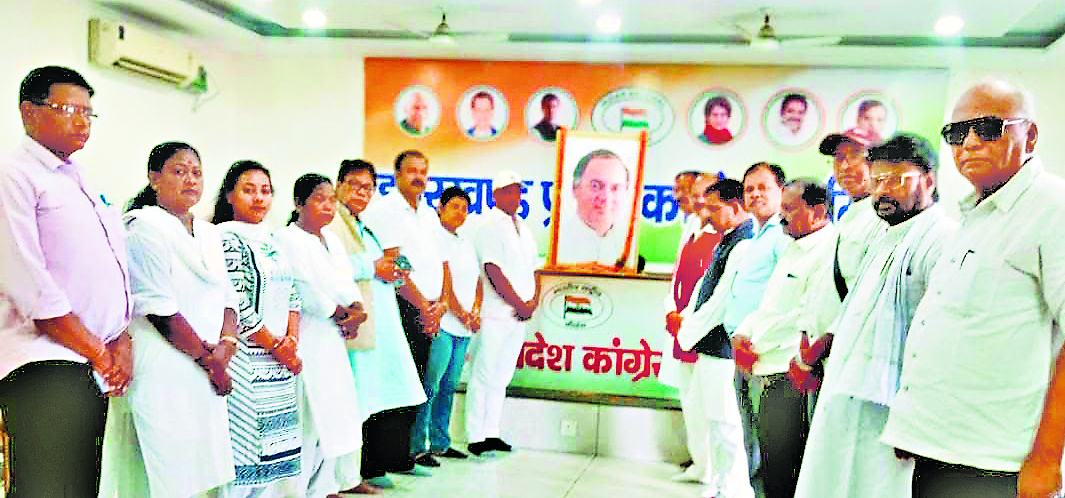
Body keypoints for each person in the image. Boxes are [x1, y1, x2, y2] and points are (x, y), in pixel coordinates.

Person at [880, 80, 1065, 498]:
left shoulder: (1051, 207)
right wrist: (915, 423)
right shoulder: (973, 216)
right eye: (957, 133)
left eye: (988, 128)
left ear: (1030, 136)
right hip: (938, 449)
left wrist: (1047, 460)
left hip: (995, 466)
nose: (970, 143)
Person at [793, 133, 955, 498]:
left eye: (896, 180)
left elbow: (940, 338)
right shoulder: (885, 238)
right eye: (878, 180)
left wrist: (917, 416)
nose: (883, 190)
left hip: (894, 409)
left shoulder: (942, 239)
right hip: (850, 392)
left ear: (929, 180)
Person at [0, 65, 132, 497]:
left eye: (88, 112)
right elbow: (27, 282)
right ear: (29, 112)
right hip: (44, 362)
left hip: (89, 362)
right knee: (46, 488)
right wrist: (99, 350)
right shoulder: (13, 175)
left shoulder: (79, 179)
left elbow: (111, 268)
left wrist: (120, 339)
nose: (82, 122)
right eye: (69, 110)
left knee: (81, 488)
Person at [101, 141, 238, 498]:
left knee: (203, 465)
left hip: (208, 365)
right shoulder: (143, 227)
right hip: (164, 361)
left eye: (196, 173)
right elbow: (161, 311)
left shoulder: (210, 232)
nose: (190, 180)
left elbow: (228, 298)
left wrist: (226, 346)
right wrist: (212, 363)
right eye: (179, 171)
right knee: (163, 466)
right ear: (154, 178)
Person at [728, 179, 839, 498]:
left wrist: (758, 345)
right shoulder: (792, 247)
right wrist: (743, 333)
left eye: (789, 209)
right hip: (762, 368)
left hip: (790, 374)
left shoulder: (828, 252)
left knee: (785, 468)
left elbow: (808, 316)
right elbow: (770, 306)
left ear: (817, 212)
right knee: (765, 463)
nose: (781, 217)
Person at [327, 159, 427, 492]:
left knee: (364, 405)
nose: (361, 193)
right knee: (348, 407)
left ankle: (351, 476)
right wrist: (373, 266)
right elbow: (332, 265)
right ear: (339, 185)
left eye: (368, 187)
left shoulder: (362, 224)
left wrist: (393, 270)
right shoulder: (331, 222)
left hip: (376, 328)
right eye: (354, 185)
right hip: (351, 330)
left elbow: (384, 265)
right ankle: (338, 479)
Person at [210, 161, 303, 497]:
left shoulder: (273, 238)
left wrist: (291, 342)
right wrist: (277, 346)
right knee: (245, 456)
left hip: (279, 364)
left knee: (272, 463)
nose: (259, 198)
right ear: (229, 196)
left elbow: (293, 294)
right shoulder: (223, 237)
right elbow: (237, 302)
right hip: (246, 360)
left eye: (265, 191)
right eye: (248, 190)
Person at [273, 174, 367, 498]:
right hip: (306, 338)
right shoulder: (287, 238)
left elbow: (347, 284)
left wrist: (357, 310)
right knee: (306, 419)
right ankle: (296, 491)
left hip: (333, 339)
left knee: (333, 416)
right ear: (299, 203)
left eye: (332, 200)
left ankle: (324, 488)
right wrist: (340, 313)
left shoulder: (332, 241)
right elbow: (302, 288)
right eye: (319, 199)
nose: (328, 206)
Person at [359, 150, 446, 476]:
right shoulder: (385, 211)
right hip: (401, 307)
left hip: (427, 309)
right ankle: (377, 463)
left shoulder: (428, 213)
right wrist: (423, 306)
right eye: (411, 170)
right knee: (393, 383)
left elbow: (437, 261)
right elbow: (394, 265)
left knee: (416, 383)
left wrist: (438, 305)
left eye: (423, 171)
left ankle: (401, 456)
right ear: (396, 174)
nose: (418, 176)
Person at [672, 178, 756, 498]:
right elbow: (702, 290)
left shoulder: (744, 243)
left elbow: (721, 301)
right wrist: (688, 322)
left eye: (714, 208)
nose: (707, 215)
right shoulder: (727, 239)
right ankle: (720, 484)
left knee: (726, 422)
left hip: (722, 345)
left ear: (735, 207)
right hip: (707, 343)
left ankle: (732, 489)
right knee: (712, 418)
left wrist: (687, 331)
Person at [466, 170, 540, 456]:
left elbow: (535, 269)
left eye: (518, 191)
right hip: (495, 314)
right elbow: (492, 270)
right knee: (484, 373)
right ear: (496, 194)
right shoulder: (489, 225)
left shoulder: (523, 227)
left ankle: (492, 432)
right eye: (508, 191)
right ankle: (476, 435)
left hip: (518, 316)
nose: (515, 197)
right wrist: (519, 303)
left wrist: (532, 302)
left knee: (502, 376)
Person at [410, 186, 484, 465]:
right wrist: (462, 314)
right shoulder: (434, 237)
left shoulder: (466, 242)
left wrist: (475, 311)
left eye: (464, 208)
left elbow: (477, 281)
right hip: (442, 324)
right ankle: (418, 445)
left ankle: (441, 442)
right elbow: (445, 282)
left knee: (450, 385)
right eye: (454, 206)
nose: (460, 213)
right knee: (430, 384)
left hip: (464, 328)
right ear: (440, 208)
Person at [660, 173, 722, 481]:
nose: (697, 201)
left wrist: (687, 317)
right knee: (689, 400)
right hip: (681, 330)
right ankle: (699, 464)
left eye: (703, 195)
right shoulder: (692, 227)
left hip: (703, 332)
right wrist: (671, 310)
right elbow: (677, 278)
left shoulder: (723, 235)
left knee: (707, 404)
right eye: (694, 194)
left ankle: (711, 468)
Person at [818, 133, 885, 296]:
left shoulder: (883, 218)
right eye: (839, 158)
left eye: (855, 156)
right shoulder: (847, 217)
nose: (844, 167)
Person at [556, 149, 634, 268]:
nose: (605, 197)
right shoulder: (556, 242)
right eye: (596, 186)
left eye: (615, 188)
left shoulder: (630, 245)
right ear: (575, 188)